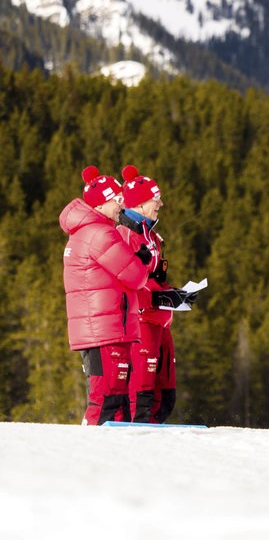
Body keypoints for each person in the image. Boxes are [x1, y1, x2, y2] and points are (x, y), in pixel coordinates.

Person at [59, 166, 150, 425]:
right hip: (104, 329)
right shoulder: (101, 233)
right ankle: (90, 454)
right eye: (118, 200)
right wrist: (142, 259)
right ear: (103, 203)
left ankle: (111, 458)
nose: (122, 205)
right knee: (107, 400)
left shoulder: (86, 231)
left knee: (116, 404)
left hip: (101, 327)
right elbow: (135, 276)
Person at [117, 165, 191, 423]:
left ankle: (154, 441)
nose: (160, 203)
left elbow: (154, 279)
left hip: (160, 321)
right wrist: (159, 299)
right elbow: (127, 282)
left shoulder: (153, 235)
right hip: (141, 322)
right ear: (138, 204)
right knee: (142, 392)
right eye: (155, 199)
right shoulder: (125, 235)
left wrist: (174, 294)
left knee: (165, 395)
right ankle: (136, 441)